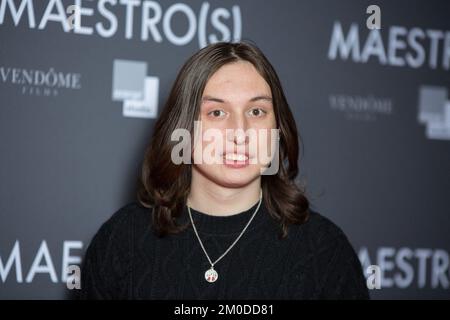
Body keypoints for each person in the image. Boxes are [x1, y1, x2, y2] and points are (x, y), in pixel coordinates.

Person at [77, 41, 370, 299]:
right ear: (183, 129)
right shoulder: (122, 240)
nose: (239, 132)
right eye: (216, 112)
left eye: (257, 111)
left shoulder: (324, 252)